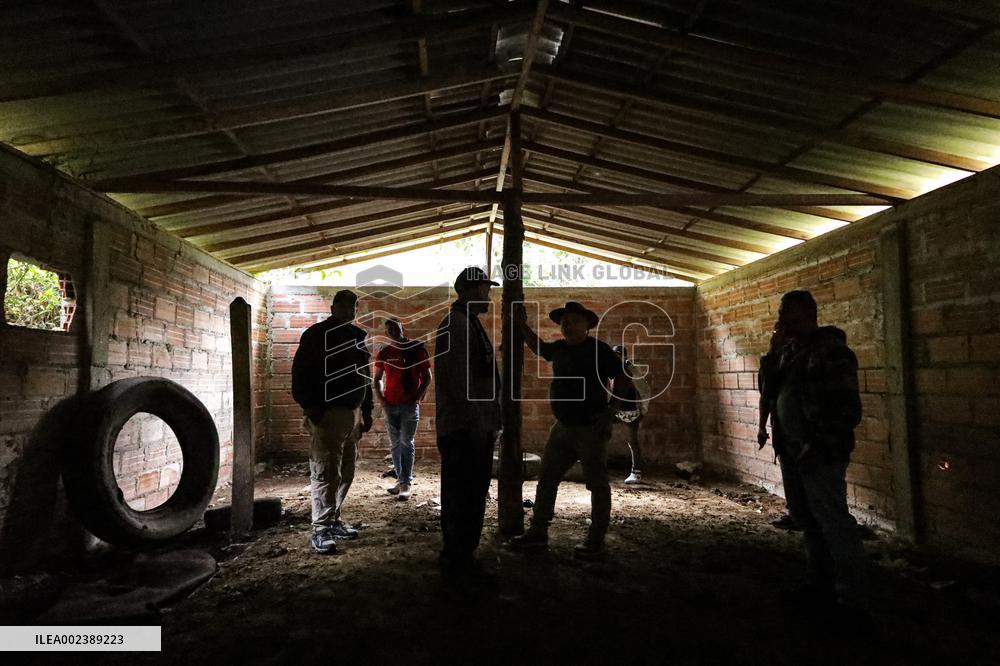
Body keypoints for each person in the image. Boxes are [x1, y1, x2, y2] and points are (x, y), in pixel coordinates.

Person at [763, 290, 866, 609]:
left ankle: (851, 596)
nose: (779, 319)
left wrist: (815, 444)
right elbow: (772, 387)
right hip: (795, 451)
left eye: (785, 312)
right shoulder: (792, 351)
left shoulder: (831, 351)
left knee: (832, 520)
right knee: (808, 520)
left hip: (818, 453)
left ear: (806, 313)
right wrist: (772, 354)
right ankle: (820, 584)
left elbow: (846, 409)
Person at [510, 301, 632, 560]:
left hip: (590, 427)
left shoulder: (599, 350)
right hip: (563, 427)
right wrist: (521, 325)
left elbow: (623, 377)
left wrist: (611, 410)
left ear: (587, 325)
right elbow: (540, 348)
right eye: (565, 321)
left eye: (574, 320)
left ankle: (596, 540)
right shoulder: (561, 349)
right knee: (547, 478)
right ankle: (538, 532)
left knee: (597, 484)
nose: (568, 325)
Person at [292, 289, 374, 554]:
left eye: (353, 306)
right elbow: (301, 374)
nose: (350, 310)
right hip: (328, 412)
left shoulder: (357, 337)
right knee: (326, 470)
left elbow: (365, 376)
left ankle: (333, 519)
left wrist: (366, 410)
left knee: (345, 470)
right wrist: (313, 408)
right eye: (344, 305)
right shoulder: (317, 336)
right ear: (333, 307)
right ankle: (321, 527)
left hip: (352, 413)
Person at [431, 267, 502, 573]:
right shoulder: (458, 326)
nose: (489, 295)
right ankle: (458, 556)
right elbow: (461, 384)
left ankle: (461, 553)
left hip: (472, 425)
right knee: (464, 494)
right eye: (486, 289)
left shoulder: (467, 323)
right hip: (465, 429)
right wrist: (476, 425)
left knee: (470, 492)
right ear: (472, 291)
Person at [374, 318, 432, 501]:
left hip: (409, 406)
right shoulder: (384, 353)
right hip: (390, 405)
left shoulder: (416, 350)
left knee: (407, 442)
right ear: (386, 333)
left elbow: (427, 377)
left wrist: (416, 398)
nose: (392, 331)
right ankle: (400, 480)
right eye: (389, 329)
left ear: (402, 328)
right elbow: (377, 378)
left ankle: (406, 483)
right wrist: (382, 399)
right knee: (395, 444)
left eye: (395, 327)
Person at [758, 324, 800, 532]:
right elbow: (766, 397)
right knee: (789, 469)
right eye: (774, 333)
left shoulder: (801, 360)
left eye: (779, 332)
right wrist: (761, 427)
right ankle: (797, 513)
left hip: (803, 429)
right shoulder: (772, 363)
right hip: (783, 427)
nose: (775, 337)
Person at [612, 344, 650, 485]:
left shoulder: (630, 369)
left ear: (624, 357)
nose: (616, 358)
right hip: (613, 410)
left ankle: (636, 472)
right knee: (598, 432)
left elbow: (645, 389)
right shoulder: (610, 368)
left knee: (632, 441)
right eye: (614, 356)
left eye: (619, 356)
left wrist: (644, 409)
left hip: (629, 410)